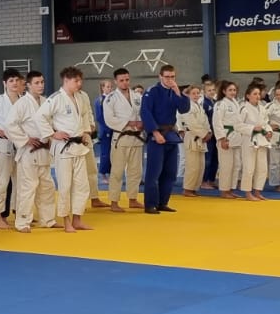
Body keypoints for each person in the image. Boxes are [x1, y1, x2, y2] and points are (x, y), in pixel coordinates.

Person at [41, 67, 93, 233]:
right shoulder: (56, 98)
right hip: (64, 148)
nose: (79, 83)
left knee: (82, 185)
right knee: (65, 186)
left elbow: (84, 116)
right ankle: (66, 221)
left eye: (80, 80)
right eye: (76, 81)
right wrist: (52, 133)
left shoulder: (80, 97)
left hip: (79, 146)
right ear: (66, 80)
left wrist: (85, 132)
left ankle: (77, 219)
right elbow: (40, 117)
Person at [9, 69, 57, 232]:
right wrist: (25, 139)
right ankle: (22, 222)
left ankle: (47, 219)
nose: (40, 85)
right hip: (29, 151)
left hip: (44, 150)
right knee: (28, 187)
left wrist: (51, 139)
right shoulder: (22, 103)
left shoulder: (46, 101)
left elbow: (52, 123)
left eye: (42, 82)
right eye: (36, 83)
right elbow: (10, 125)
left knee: (47, 186)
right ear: (28, 85)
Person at [140, 63, 190, 214]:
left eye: (172, 77)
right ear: (160, 76)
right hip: (157, 133)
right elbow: (145, 112)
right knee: (154, 172)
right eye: (167, 77)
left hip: (171, 134)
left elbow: (184, 109)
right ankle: (150, 204)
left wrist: (178, 92)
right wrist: (155, 132)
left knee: (170, 172)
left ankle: (162, 202)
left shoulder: (174, 92)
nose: (170, 80)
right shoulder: (152, 92)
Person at [0, 69, 23, 230]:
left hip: (21, 144)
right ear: (4, 83)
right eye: (11, 81)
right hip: (4, 143)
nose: (14, 83)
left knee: (20, 181)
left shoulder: (24, 100)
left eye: (16, 80)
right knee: (2, 180)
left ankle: (19, 213)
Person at [102, 68, 143, 210]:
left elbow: (144, 113)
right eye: (121, 80)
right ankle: (114, 202)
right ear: (115, 81)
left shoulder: (137, 96)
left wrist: (143, 123)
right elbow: (109, 119)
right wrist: (129, 123)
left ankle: (133, 199)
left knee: (136, 171)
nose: (125, 82)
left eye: (127, 79)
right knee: (117, 171)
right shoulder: (110, 98)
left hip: (137, 137)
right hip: (121, 137)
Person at [237, 81, 273, 201]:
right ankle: (248, 193)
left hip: (262, 140)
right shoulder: (243, 109)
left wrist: (269, 131)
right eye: (254, 94)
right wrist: (252, 128)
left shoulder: (262, 108)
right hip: (249, 141)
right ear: (248, 96)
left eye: (258, 94)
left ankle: (257, 191)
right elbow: (238, 126)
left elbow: (266, 123)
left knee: (262, 168)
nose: (257, 96)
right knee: (249, 168)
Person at [180, 84, 211, 199]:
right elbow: (192, 124)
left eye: (198, 93)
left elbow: (206, 121)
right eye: (193, 93)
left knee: (200, 165)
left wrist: (208, 132)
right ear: (188, 95)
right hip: (192, 137)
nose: (196, 95)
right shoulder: (187, 106)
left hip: (201, 138)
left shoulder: (199, 106)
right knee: (192, 165)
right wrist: (204, 134)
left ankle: (194, 188)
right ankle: (187, 189)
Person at [213, 79, 241, 198]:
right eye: (230, 90)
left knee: (236, 165)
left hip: (236, 137)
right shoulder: (220, 104)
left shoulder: (236, 102)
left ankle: (231, 188)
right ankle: (224, 190)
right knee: (226, 165)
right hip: (226, 136)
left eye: (234, 90)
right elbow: (217, 122)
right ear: (224, 91)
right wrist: (222, 139)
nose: (233, 92)